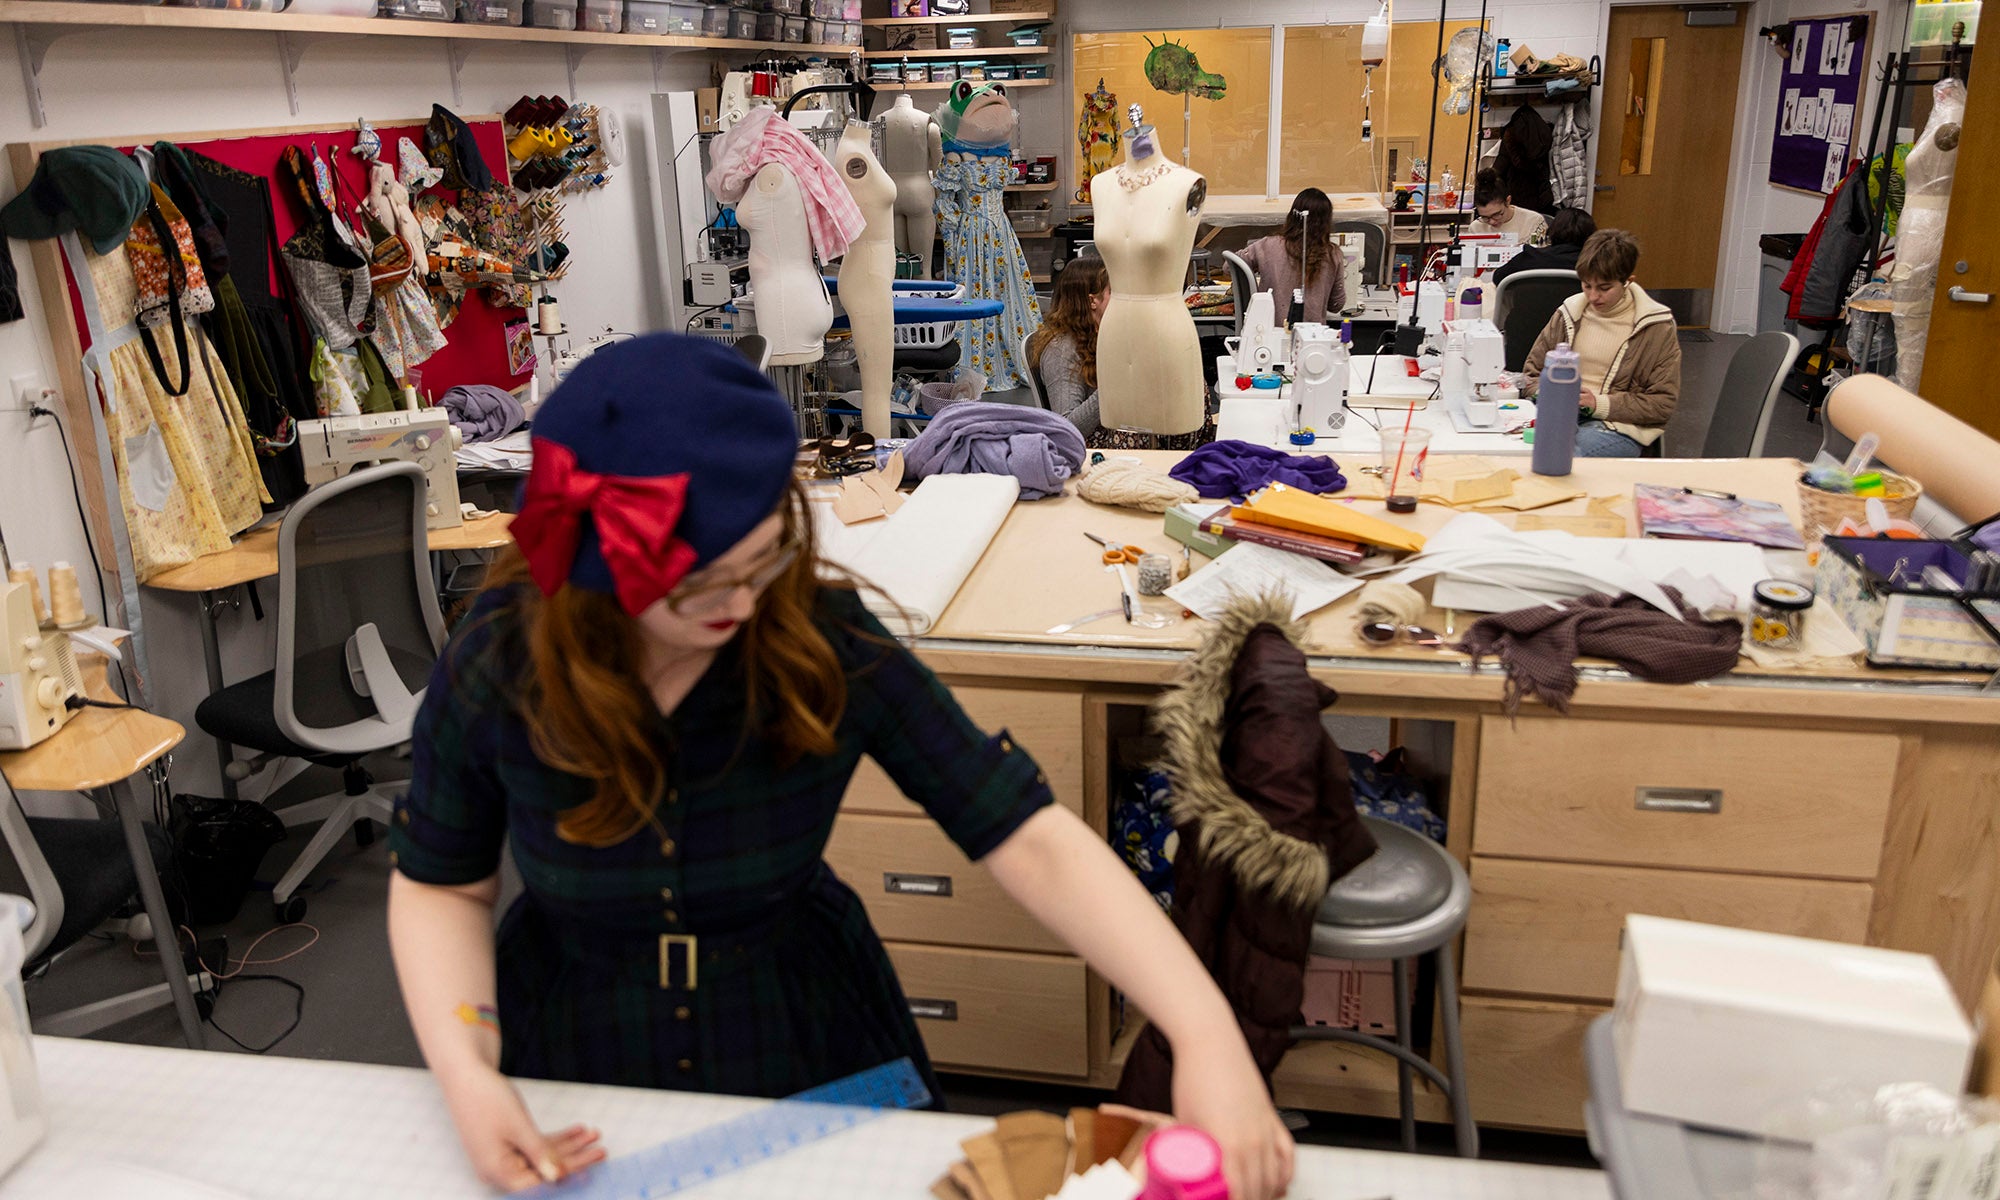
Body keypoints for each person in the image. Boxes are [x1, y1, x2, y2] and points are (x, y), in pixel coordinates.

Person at [386, 334, 1296, 1199]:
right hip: (572, 1044)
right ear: (595, 560)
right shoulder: (502, 660)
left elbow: (1028, 836)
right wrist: (465, 1066)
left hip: (803, 1030)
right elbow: (444, 886)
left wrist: (1204, 1030)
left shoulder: (820, 638)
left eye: (764, 557)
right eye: (700, 585)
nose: (744, 602)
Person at [1521, 229, 1681, 457]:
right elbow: (1531, 375)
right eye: (1586, 286)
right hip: (1559, 413)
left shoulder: (1655, 326)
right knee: (1511, 452)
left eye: (1605, 288)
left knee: (1564, 457)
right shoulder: (1569, 313)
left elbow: (1661, 404)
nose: (1593, 296)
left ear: (1628, 281)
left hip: (1615, 424)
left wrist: (1598, 404)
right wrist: (1553, 394)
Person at [1025, 256, 1109, 438]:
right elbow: (1067, 427)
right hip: (1092, 448)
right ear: (1092, 301)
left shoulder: (1101, 334)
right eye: (1113, 292)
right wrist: (1113, 387)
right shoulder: (1062, 350)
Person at [1236, 187, 1346, 324]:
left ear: (1292, 215)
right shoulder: (1333, 254)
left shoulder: (1268, 246)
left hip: (1270, 333)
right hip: (1311, 337)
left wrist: (1261, 273)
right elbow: (1336, 305)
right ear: (1327, 222)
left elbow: (1229, 267)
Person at [1491, 206, 1595, 285]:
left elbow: (1498, 278)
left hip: (1527, 312)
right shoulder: (1594, 263)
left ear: (1553, 231)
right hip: (1575, 313)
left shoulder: (1529, 257)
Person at [1469, 168, 1549, 248]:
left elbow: (1543, 257)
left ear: (1508, 201)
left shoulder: (1533, 222)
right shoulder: (1476, 228)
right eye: (1485, 217)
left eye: (1497, 214)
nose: (1492, 222)